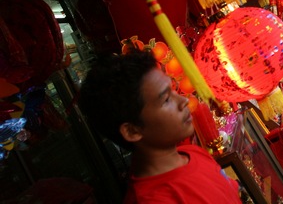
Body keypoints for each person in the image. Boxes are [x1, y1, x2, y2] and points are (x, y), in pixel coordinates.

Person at [79, 51, 242, 203]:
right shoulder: (155, 199)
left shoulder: (194, 153)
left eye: (172, 90)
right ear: (132, 131)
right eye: (166, 100)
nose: (183, 101)